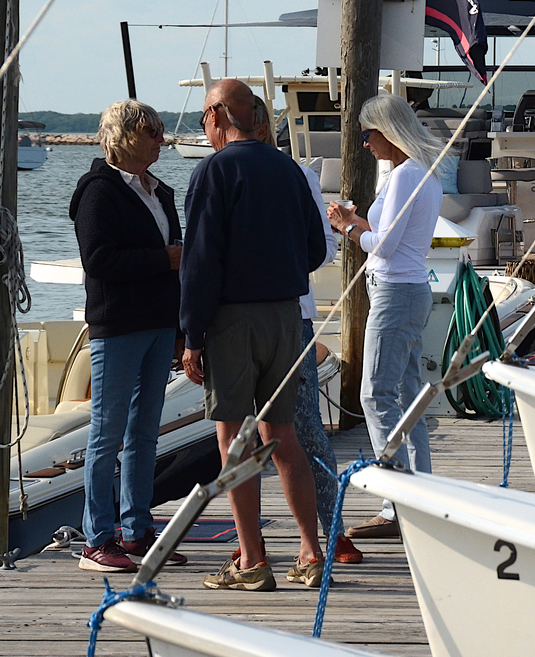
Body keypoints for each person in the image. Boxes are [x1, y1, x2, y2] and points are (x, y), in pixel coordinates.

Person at [180, 79, 326, 592]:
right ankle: (310, 552)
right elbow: (315, 250)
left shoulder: (213, 172)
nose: (203, 125)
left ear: (220, 115)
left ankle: (252, 559)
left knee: (235, 441)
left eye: (204, 115)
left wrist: (192, 335)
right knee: (283, 436)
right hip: (286, 315)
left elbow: (200, 262)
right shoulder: (288, 169)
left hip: (231, 319)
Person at [70, 100, 187, 573]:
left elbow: (177, 261)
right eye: (151, 132)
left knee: (144, 433)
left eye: (160, 131)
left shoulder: (160, 192)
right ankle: (97, 538)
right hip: (117, 325)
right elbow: (98, 261)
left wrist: (181, 328)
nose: (161, 140)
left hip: (159, 324)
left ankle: (136, 530)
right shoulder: (97, 192)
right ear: (123, 138)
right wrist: (165, 259)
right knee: (107, 434)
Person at [327, 93, 446, 539]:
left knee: (376, 395)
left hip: (394, 289)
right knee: (409, 392)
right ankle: (420, 493)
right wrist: (361, 224)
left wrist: (347, 226)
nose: (364, 144)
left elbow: (384, 245)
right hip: (412, 289)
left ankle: (394, 500)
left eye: (367, 134)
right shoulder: (425, 173)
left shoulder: (404, 175)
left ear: (387, 132)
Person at [250, 96, 362, 569]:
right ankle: (251, 539)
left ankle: (328, 532)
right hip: (265, 316)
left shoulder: (296, 176)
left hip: (282, 316)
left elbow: (320, 246)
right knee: (247, 433)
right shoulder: (281, 175)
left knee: (301, 428)